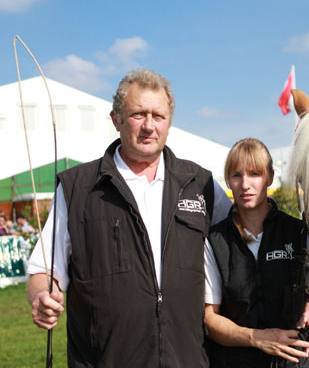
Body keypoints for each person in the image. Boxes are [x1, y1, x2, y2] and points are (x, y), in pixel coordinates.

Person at [26, 68, 232, 367]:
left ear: (169, 123)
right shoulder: (78, 188)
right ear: (116, 119)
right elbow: (45, 269)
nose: (149, 126)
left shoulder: (201, 185)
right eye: (138, 114)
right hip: (105, 359)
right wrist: (42, 296)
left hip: (188, 357)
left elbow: (244, 245)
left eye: (158, 116)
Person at [204, 138, 309, 368]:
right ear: (228, 180)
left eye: (254, 174)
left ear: (270, 177)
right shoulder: (214, 240)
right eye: (236, 175)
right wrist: (257, 338)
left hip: (295, 361)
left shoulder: (298, 232)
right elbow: (210, 319)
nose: (245, 184)